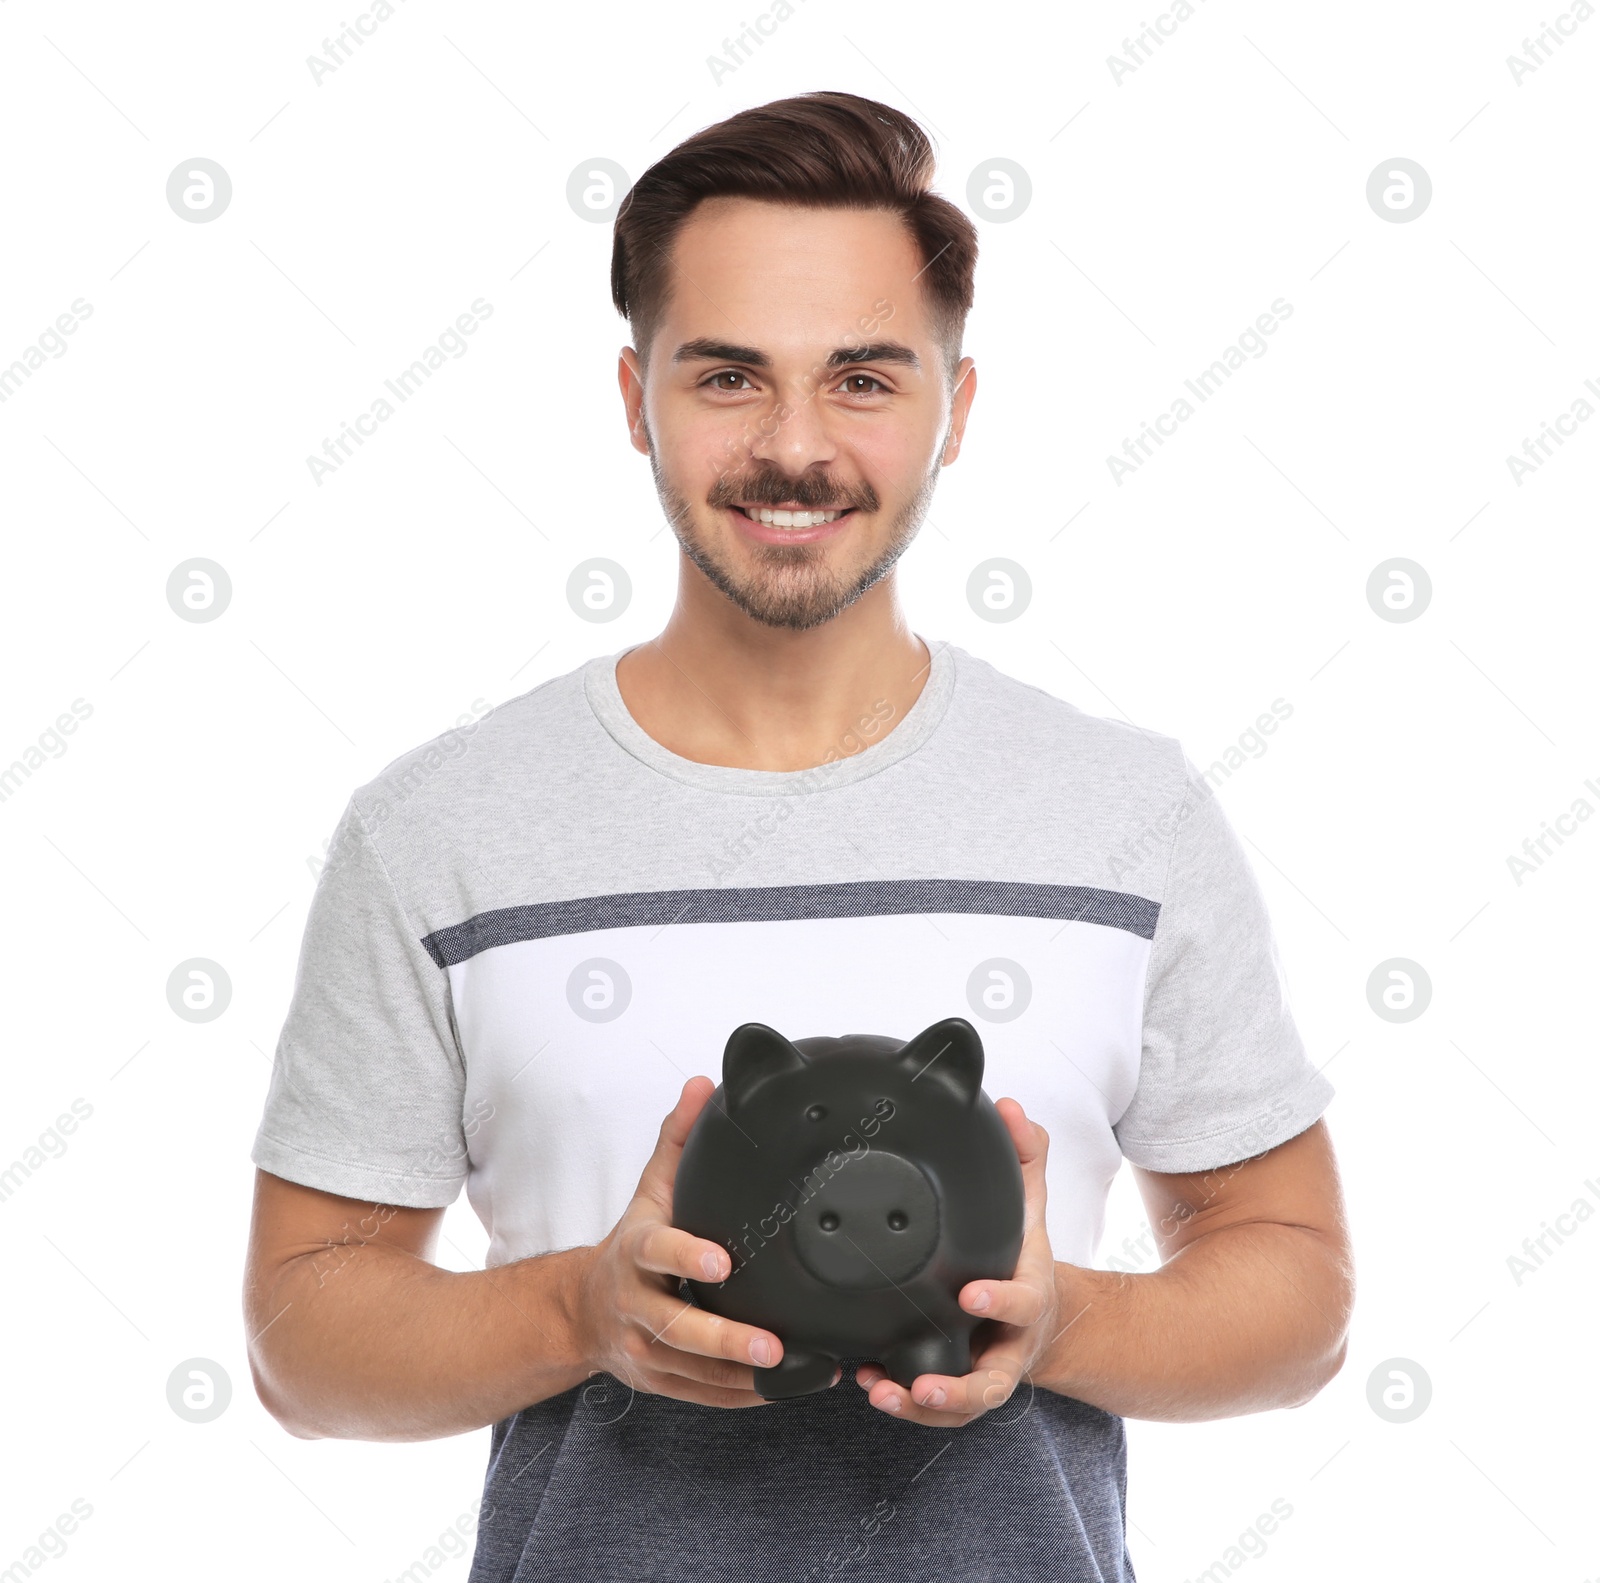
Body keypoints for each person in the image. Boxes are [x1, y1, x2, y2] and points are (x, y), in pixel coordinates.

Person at [243, 89, 1353, 1582]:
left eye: (864, 380)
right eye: (727, 377)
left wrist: (1069, 1320)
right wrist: (579, 1313)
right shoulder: (439, 831)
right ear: (634, 396)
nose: (793, 447)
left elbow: (1301, 1297)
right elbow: (303, 1346)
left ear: (956, 410)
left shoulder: (1123, 814)